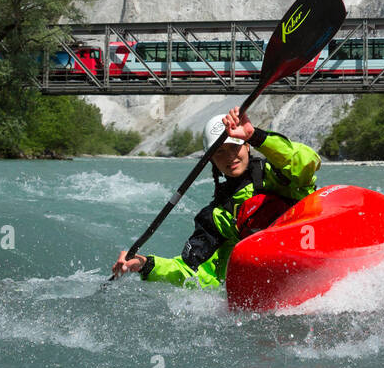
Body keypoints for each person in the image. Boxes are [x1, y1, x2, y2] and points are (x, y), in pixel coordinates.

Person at [112, 106, 320, 287]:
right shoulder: (217, 215)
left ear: (246, 145)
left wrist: (256, 136)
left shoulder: (279, 172)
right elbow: (194, 272)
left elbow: (307, 163)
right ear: (211, 160)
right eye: (220, 152)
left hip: (313, 241)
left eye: (234, 147)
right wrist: (145, 265)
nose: (230, 157)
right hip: (277, 269)